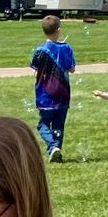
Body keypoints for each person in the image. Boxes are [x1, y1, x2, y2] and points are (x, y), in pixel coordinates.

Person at [29, 14, 76, 163]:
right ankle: (57, 151)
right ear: (59, 30)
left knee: (43, 124)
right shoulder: (66, 48)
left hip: (44, 95)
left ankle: (52, 146)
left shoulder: (40, 50)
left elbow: (35, 68)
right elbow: (72, 69)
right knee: (58, 125)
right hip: (63, 94)